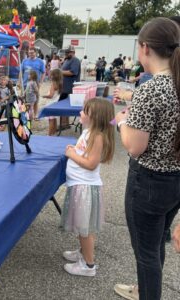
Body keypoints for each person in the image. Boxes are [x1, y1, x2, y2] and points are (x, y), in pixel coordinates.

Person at [113, 17, 180, 300]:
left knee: (146, 254)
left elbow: (134, 146)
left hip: (149, 182)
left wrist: (121, 122)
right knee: (155, 246)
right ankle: (145, 290)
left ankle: (147, 293)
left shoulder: (151, 89)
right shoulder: (175, 84)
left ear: (144, 48)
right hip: (175, 180)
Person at [61, 98, 115, 277]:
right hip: (80, 185)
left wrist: (71, 155)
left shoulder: (97, 136)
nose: (80, 113)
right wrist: (75, 151)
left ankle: (88, 265)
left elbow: (91, 164)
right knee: (83, 226)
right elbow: (86, 154)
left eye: (84, 111)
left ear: (94, 117)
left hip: (84, 188)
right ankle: (83, 252)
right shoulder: (89, 132)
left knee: (85, 229)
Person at [20, 47, 45, 118]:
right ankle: (25, 115)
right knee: (24, 100)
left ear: (35, 53)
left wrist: (41, 82)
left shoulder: (40, 61)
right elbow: (21, 72)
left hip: (35, 85)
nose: (30, 54)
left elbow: (43, 72)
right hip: (25, 84)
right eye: (29, 53)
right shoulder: (24, 61)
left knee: (35, 100)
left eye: (32, 53)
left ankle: (35, 115)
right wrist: (19, 82)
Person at [43, 69, 63, 135]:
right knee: (54, 119)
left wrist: (44, 96)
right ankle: (54, 132)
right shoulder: (60, 83)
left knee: (51, 120)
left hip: (50, 104)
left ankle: (49, 135)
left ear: (53, 76)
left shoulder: (53, 84)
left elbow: (51, 95)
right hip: (56, 103)